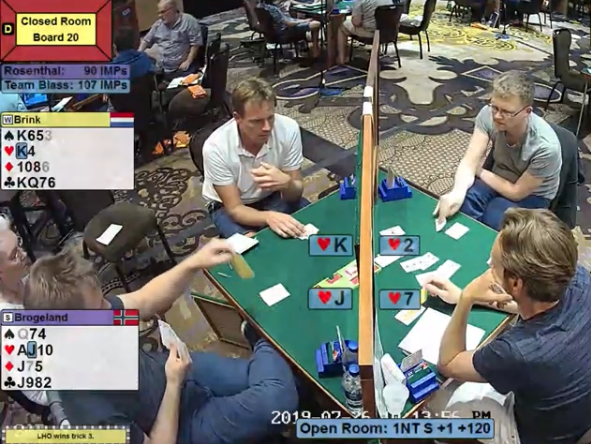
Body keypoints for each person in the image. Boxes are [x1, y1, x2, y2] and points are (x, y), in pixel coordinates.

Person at [23, 241, 298, 444]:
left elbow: (144, 300)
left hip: (176, 372)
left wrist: (193, 262)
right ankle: (263, 336)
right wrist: (174, 384)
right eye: (101, 308)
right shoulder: (88, 411)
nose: (112, 309)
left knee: (279, 379)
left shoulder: (89, 321)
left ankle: (263, 340)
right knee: (277, 399)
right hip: (179, 426)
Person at [423, 208, 591, 444]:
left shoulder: (517, 351)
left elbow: (448, 362)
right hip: (576, 413)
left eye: (494, 265)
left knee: (438, 404)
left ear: (516, 283)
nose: (489, 267)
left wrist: (467, 298)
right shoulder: (578, 278)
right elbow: (534, 305)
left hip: (539, 435)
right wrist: (461, 294)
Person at [433, 71, 561, 231]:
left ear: (527, 112)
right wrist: (457, 192)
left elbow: (516, 192)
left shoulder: (546, 147)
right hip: (499, 176)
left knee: (496, 218)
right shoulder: (488, 114)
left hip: (532, 194)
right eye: (494, 107)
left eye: (506, 112)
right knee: (465, 201)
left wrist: (479, 170)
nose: (497, 116)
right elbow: (469, 162)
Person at [202, 77, 309, 239]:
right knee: (255, 247)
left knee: (313, 226)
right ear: (237, 118)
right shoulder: (215, 147)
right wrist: (269, 217)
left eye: (270, 117)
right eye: (257, 121)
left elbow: (295, 193)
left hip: (272, 195)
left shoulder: (288, 128)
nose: (267, 127)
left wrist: (287, 184)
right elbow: (235, 209)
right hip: (228, 206)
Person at [0, 228, 47, 407]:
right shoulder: (10, 327)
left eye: (19, 243)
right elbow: (40, 393)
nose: (25, 254)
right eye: (14, 255)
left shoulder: (24, 283)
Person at [139, 0, 203, 80]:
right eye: (159, 13)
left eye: (163, 12)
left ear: (172, 10)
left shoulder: (188, 21)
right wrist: (138, 54)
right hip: (162, 68)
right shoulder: (158, 25)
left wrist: (188, 61)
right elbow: (146, 41)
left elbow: (196, 43)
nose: (160, 16)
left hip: (181, 67)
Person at [336, 0, 394, 65]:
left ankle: (341, 59)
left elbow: (356, 23)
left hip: (371, 34)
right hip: (388, 33)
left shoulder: (360, 1)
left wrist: (354, 14)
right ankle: (377, 53)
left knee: (342, 27)